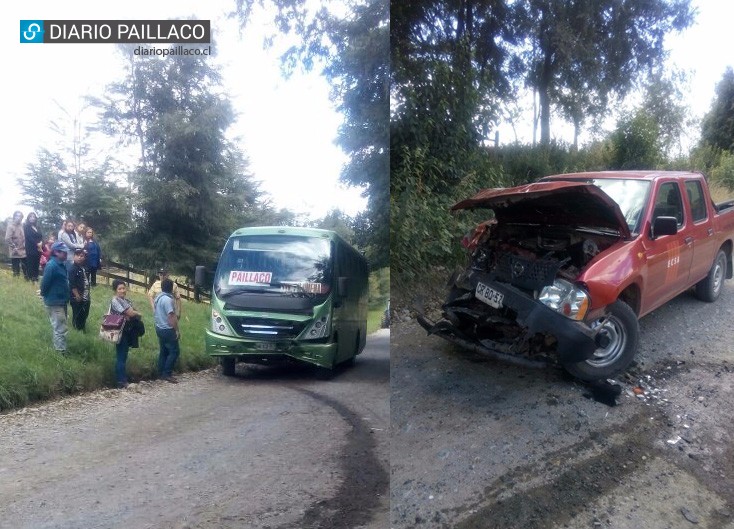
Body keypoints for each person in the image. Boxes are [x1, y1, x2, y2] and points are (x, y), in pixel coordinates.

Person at [109, 280, 145, 388]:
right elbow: (131, 313)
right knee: (121, 356)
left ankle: (123, 378)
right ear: (115, 290)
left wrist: (134, 313)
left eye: (124, 288)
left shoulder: (126, 300)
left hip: (126, 330)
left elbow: (135, 314)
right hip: (120, 331)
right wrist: (133, 313)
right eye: (119, 289)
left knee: (124, 355)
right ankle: (121, 381)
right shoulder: (115, 300)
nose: (122, 291)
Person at [39, 242, 70, 354]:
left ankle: (61, 349)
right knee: (60, 327)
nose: (66, 253)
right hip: (54, 301)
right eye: (63, 251)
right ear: (56, 252)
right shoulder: (51, 265)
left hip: (62, 300)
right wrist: (44, 295)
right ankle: (60, 352)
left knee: (62, 326)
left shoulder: (61, 264)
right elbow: (45, 283)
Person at [153, 278, 181, 383]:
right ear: (171, 288)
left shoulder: (158, 298)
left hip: (159, 327)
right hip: (167, 329)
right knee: (174, 351)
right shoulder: (168, 300)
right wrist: (177, 330)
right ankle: (167, 373)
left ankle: (160, 372)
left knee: (163, 351)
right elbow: (171, 316)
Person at [68, 249, 91, 331]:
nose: (79, 258)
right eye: (77, 256)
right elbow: (72, 284)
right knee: (77, 313)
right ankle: (76, 329)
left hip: (86, 295)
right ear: (74, 257)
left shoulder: (85, 268)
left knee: (85, 313)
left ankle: (82, 328)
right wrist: (77, 295)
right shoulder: (72, 269)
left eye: (81, 256)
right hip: (76, 296)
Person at [5, 211, 27, 278]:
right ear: (14, 217)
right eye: (17, 216)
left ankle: (27, 279)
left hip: (23, 250)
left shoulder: (22, 226)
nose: (19, 218)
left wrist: (25, 244)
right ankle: (16, 281)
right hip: (15, 250)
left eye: (20, 216)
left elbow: (24, 237)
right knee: (16, 269)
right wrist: (14, 246)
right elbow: (7, 238)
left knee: (25, 266)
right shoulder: (10, 226)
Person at [23, 212, 43, 282]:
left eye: (34, 217)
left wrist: (41, 242)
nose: (32, 218)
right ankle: (30, 279)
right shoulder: (26, 227)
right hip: (30, 248)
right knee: (30, 264)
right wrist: (37, 244)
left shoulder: (37, 227)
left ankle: (36, 278)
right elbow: (29, 237)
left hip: (38, 249)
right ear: (28, 218)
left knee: (36, 264)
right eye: (30, 217)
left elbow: (40, 236)